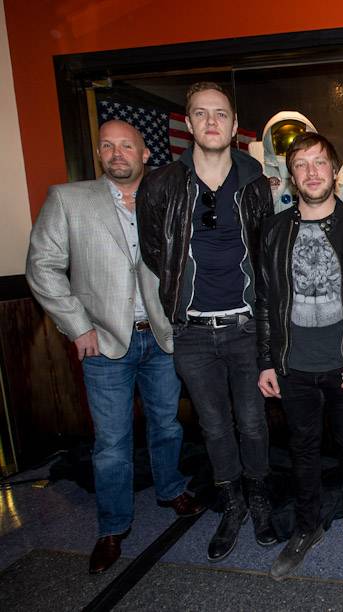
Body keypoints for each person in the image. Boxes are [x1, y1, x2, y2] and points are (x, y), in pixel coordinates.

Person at [26, 120, 203, 574]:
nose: (117, 153)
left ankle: (171, 489)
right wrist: (78, 326)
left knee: (167, 425)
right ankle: (112, 527)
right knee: (111, 443)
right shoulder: (68, 199)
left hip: (162, 338)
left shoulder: (166, 200)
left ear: (145, 154)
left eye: (127, 145)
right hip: (104, 343)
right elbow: (42, 267)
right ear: (99, 153)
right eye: (108, 146)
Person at [137, 82, 274, 562]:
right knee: (214, 428)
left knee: (253, 424)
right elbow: (155, 252)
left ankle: (259, 498)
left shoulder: (255, 181)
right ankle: (231, 505)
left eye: (220, 113)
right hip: (192, 332)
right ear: (189, 123)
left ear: (234, 126)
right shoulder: (160, 184)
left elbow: (266, 247)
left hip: (246, 327)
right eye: (201, 113)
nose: (211, 121)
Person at [256, 132, 343, 579]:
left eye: (319, 162)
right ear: (290, 176)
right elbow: (264, 301)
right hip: (293, 364)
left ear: (335, 170)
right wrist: (265, 360)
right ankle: (307, 525)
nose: (312, 172)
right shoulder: (274, 229)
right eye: (301, 164)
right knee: (302, 447)